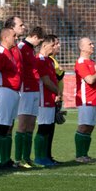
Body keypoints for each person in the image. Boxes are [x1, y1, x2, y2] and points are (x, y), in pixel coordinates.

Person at [0, 24, 21, 168]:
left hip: (13, 92)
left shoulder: (9, 52)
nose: (16, 38)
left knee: (9, 126)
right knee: (1, 125)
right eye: (13, 36)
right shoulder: (0, 52)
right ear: (4, 37)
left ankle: (5, 159)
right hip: (4, 91)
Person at [14, 20, 40, 168]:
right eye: (40, 41)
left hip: (34, 88)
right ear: (35, 37)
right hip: (25, 89)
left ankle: (26, 157)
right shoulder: (22, 47)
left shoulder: (30, 49)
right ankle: (18, 159)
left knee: (31, 124)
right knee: (23, 124)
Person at [34, 35, 62, 167]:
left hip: (50, 99)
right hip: (43, 99)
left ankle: (46, 156)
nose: (57, 46)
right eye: (54, 44)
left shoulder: (49, 61)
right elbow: (46, 81)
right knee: (43, 128)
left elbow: (53, 80)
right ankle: (39, 157)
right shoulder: (39, 60)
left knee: (48, 128)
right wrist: (58, 92)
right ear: (45, 45)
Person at [73, 37, 96, 163]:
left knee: (90, 127)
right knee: (84, 126)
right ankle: (79, 155)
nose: (93, 46)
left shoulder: (92, 62)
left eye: (92, 43)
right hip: (86, 100)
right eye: (90, 44)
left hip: (94, 100)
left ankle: (85, 155)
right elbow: (90, 80)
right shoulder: (81, 62)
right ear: (82, 47)